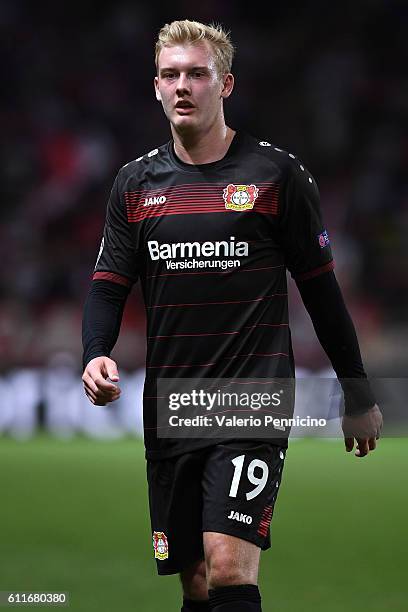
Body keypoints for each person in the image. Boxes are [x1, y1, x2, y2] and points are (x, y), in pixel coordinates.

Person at [82, 19, 383, 612]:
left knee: (228, 564)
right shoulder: (135, 185)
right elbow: (108, 285)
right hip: (172, 400)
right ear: (156, 87)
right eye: (171, 75)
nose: (183, 86)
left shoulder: (275, 176)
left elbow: (322, 291)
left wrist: (356, 391)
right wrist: (96, 350)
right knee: (194, 578)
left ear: (226, 85)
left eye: (197, 73)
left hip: (252, 392)